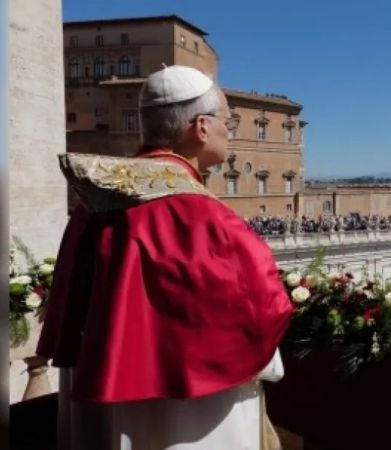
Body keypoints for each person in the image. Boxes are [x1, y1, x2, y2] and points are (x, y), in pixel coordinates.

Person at [36, 65, 294, 450]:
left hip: (104, 387)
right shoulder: (201, 214)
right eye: (227, 122)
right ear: (201, 127)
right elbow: (262, 303)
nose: (229, 132)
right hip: (193, 409)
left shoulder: (94, 203)